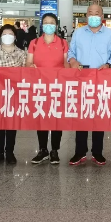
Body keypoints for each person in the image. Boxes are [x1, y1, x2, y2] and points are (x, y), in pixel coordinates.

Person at [67, 4, 111, 166]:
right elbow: (71, 52)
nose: (94, 15)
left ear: (102, 16)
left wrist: (109, 64)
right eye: (91, 13)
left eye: (97, 13)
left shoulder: (110, 34)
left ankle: (97, 152)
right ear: (86, 15)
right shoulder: (78, 33)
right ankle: (80, 151)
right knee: (81, 116)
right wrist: (73, 61)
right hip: (81, 79)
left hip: (101, 80)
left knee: (98, 116)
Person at [27, 13, 69, 164]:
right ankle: (43, 149)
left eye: (52, 22)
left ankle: (54, 150)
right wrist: (30, 66)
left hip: (58, 86)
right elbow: (28, 62)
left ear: (56, 25)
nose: (49, 25)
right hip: (40, 86)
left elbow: (66, 64)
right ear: (42, 25)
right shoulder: (34, 43)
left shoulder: (63, 43)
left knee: (56, 118)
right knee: (42, 117)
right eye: (46, 22)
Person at [0, 24, 27, 165]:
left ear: (15, 36)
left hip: (14, 94)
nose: (7, 36)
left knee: (12, 123)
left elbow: (26, 74)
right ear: (0, 36)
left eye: (10, 34)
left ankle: (10, 152)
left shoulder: (21, 54)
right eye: (4, 34)